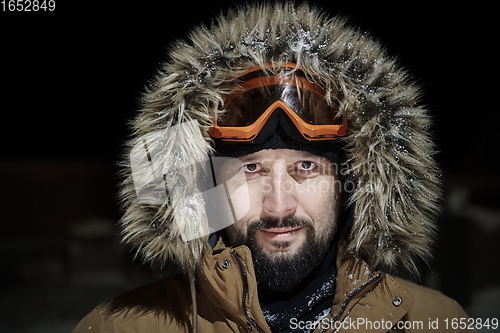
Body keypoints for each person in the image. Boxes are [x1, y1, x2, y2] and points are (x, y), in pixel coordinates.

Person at [73, 3, 475, 333]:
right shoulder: (118, 327)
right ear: (203, 188)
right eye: (250, 169)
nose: (278, 206)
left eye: (306, 165)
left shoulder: (434, 323)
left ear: (352, 187)